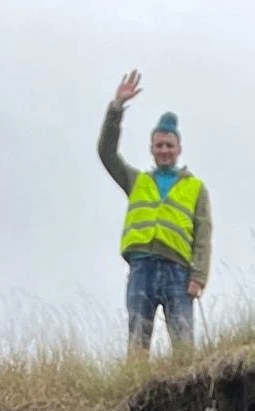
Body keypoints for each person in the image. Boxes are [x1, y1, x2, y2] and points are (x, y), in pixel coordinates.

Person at [99, 69, 212, 354]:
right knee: (137, 339)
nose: (164, 150)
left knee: (183, 344)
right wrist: (116, 108)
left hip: (178, 271)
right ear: (151, 148)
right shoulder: (137, 180)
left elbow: (203, 235)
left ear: (179, 149)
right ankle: (136, 380)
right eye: (159, 145)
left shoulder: (195, 188)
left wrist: (199, 276)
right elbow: (107, 153)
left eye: (169, 146)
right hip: (142, 267)